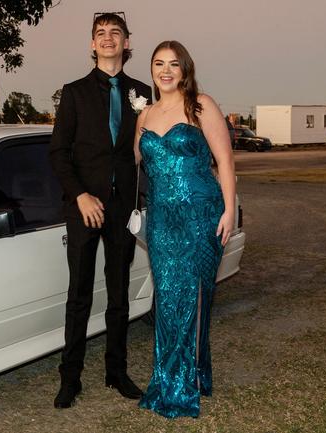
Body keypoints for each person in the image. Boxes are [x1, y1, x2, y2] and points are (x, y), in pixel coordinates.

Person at [49, 12, 152, 409]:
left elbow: (145, 151)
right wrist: (80, 195)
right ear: (92, 45)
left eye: (116, 33)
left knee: (119, 293)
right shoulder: (73, 93)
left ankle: (116, 371)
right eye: (100, 33)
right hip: (84, 208)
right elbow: (58, 153)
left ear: (127, 42)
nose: (108, 39)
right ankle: (70, 377)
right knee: (78, 295)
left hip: (123, 208)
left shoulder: (141, 92)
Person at [134, 40, 236, 418]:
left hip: (201, 215)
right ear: (152, 70)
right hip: (161, 220)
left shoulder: (201, 105)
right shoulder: (144, 116)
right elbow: (132, 162)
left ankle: (182, 385)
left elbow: (225, 161)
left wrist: (228, 210)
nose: (165, 70)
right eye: (159, 63)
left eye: (173, 64)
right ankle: (173, 377)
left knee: (193, 297)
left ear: (184, 69)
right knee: (167, 297)